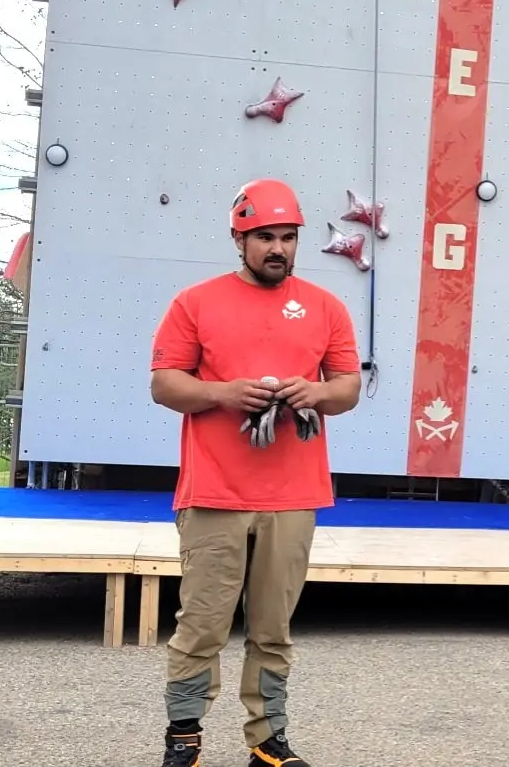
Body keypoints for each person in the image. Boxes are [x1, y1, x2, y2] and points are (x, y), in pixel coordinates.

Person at [149, 178, 363, 767]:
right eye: (265, 236)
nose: (278, 248)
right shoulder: (195, 303)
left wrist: (314, 392)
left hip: (294, 496)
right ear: (239, 238)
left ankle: (267, 739)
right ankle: (184, 737)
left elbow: (348, 387)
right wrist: (224, 393)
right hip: (214, 492)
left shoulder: (325, 307)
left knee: (273, 628)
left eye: (288, 237)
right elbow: (164, 383)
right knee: (203, 624)